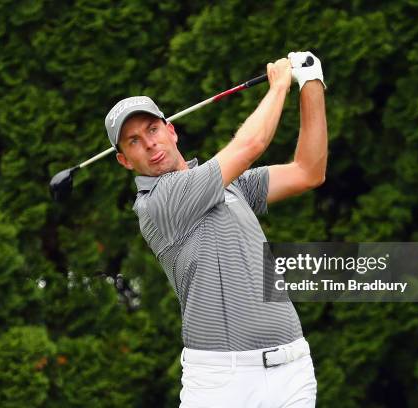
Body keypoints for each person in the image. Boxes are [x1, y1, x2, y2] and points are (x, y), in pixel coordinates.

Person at [105, 51, 328, 408]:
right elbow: (250, 145)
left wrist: (312, 82)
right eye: (133, 141)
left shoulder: (231, 185)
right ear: (124, 160)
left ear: (171, 130)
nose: (149, 144)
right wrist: (280, 84)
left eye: (152, 129)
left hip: (292, 370)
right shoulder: (158, 202)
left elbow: (308, 170)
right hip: (223, 384)